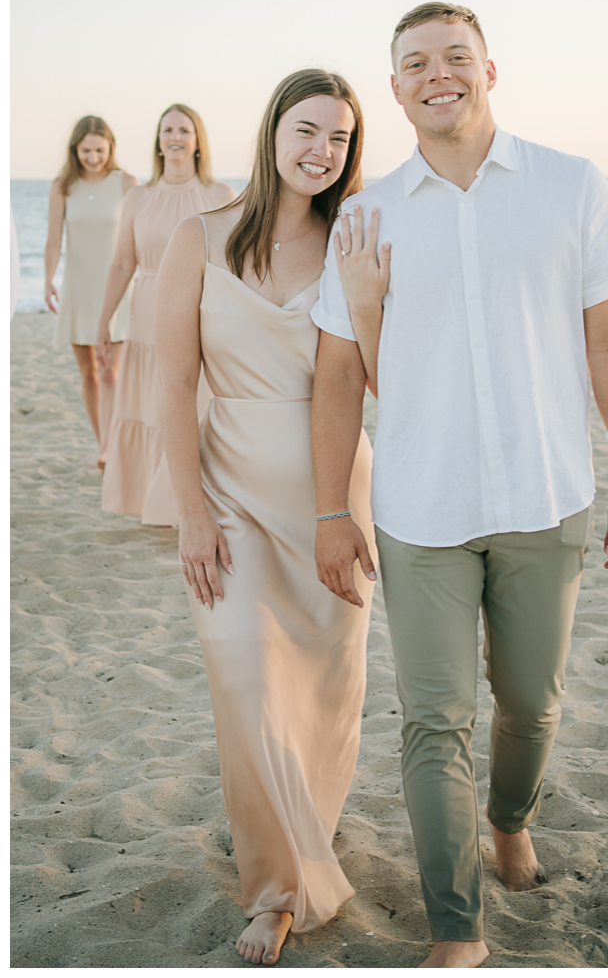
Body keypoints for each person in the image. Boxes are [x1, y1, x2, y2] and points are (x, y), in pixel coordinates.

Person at [311, 2, 608, 969]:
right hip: (421, 510)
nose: (437, 75)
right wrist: (333, 510)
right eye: (415, 63)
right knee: (432, 720)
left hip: (548, 497)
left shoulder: (569, 185)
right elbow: (339, 371)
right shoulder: (366, 212)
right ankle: (455, 927)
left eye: (454, 57)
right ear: (395, 88)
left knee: (532, 704)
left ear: (489, 69)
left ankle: (511, 817)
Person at [155, 70, 383, 966]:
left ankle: (297, 842)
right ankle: (280, 890)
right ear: (271, 131)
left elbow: (385, 375)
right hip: (232, 496)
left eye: (339, 138)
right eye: (307, 129)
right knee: (247, 680)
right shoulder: (199, 238)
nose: (321, 150)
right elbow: (172, 382)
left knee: (323, 694)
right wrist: (191, 513)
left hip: (334, 497)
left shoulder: (354, 242)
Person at [96, 104, 234, 525]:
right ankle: (150, 500)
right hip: (145, 314)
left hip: (200, 315)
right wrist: (103, 320)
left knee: (193, 405)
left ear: (197, 141)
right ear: (158, 140)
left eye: (184, 130)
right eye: (168, 130)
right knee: (149, 407)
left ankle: (194, 503)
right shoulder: (139, 196)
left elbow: (231, 269)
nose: (175, 137)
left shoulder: (220, 196)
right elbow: (122, 263)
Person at [43, 116, 138, 467]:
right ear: (75, 149)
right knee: (89, 374)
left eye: (100, 150)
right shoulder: (62, 185)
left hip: (116, 289)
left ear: (110, 147)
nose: (94, 157)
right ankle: (103, 444)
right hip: (78, 288)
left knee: (112, 371)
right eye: (86, 151)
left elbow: (138, 238)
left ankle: (111, 448)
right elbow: (54, 240)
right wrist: (48, 279)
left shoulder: (127, 183)